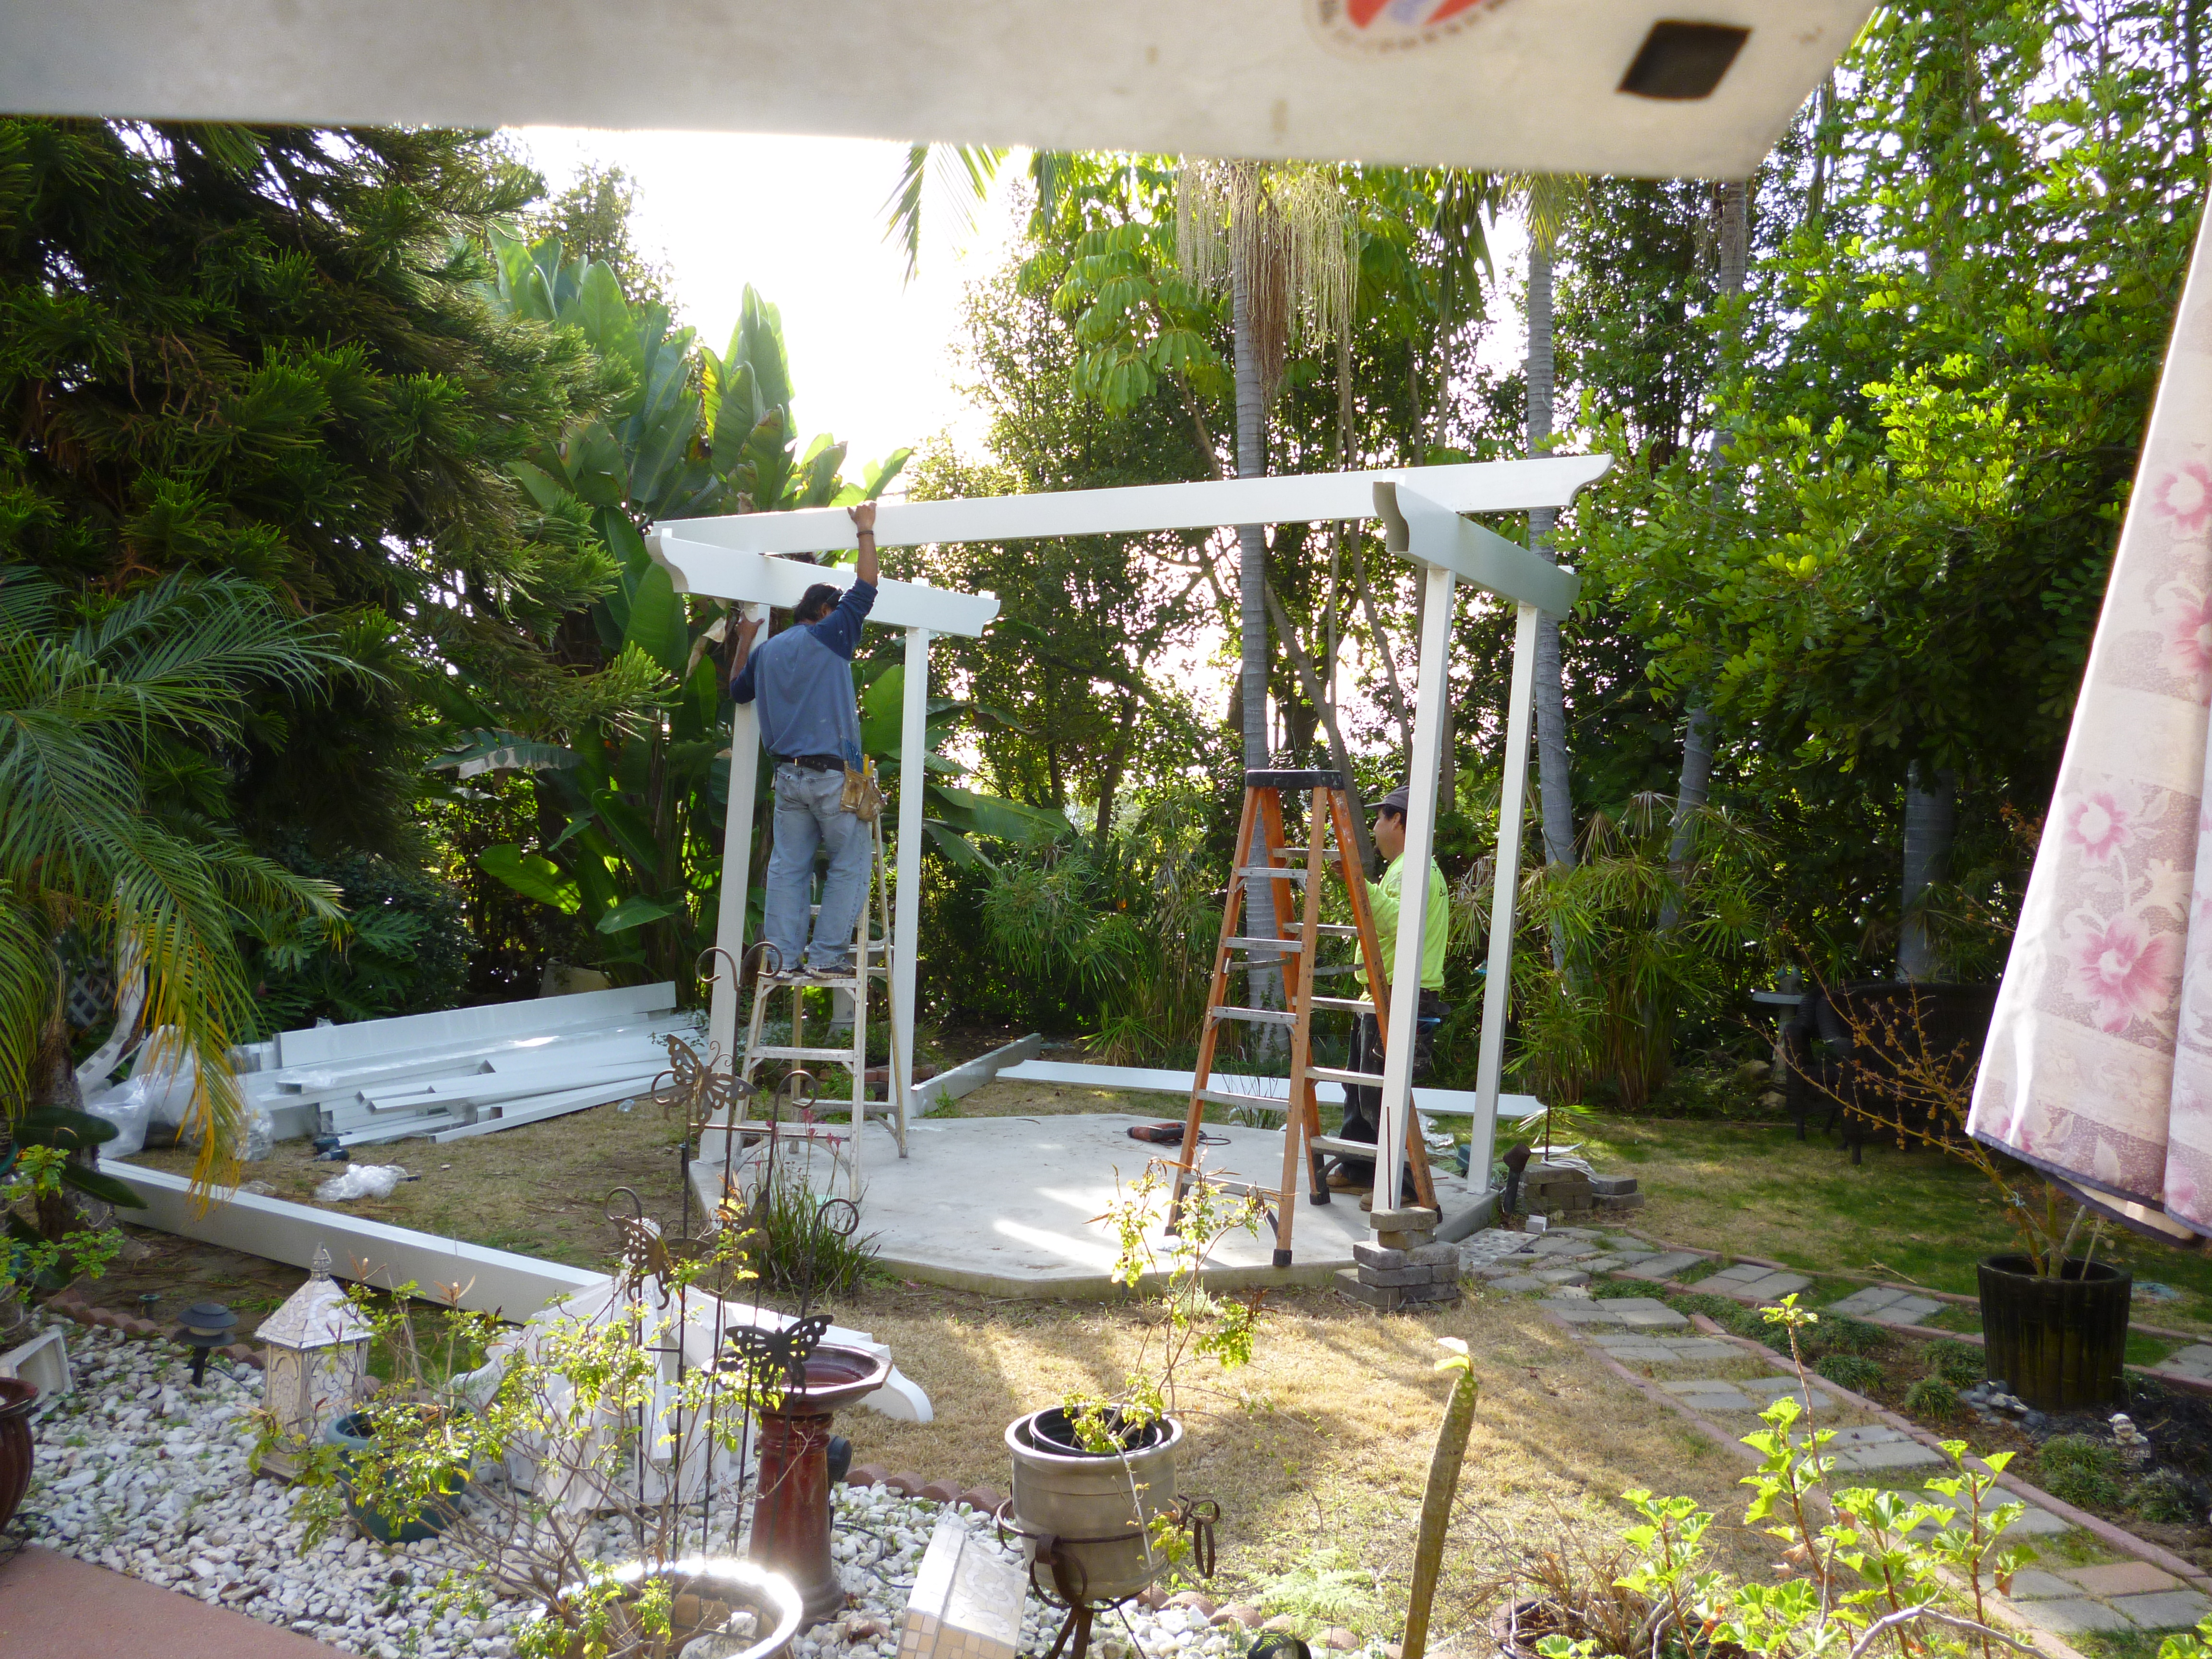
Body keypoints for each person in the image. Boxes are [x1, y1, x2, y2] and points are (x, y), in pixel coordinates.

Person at [727, 501, 880, 982]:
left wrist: (747, 636)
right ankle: (826, 957)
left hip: (788, 779)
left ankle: (780, 960)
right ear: (823, 610)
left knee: (787, 870)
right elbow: (868, 586)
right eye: (837, 610)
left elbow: (737, 691)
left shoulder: (768, 652)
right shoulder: (832, 633)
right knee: (851, 863)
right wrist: (866, 530)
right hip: (833, 777)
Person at [1329, 784, 1449, 1196]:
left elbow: (1396, 921)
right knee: (1361, 1087)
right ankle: (1360, 1168)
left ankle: (1405, 1188)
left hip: (1401, 995)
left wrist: (1359, 883)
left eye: (1380, 818)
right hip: (1382, 993)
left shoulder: (1415, 868)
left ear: (1397, 819)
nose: (1376, 827)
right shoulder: (1406, 867)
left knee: (1383, 1094)